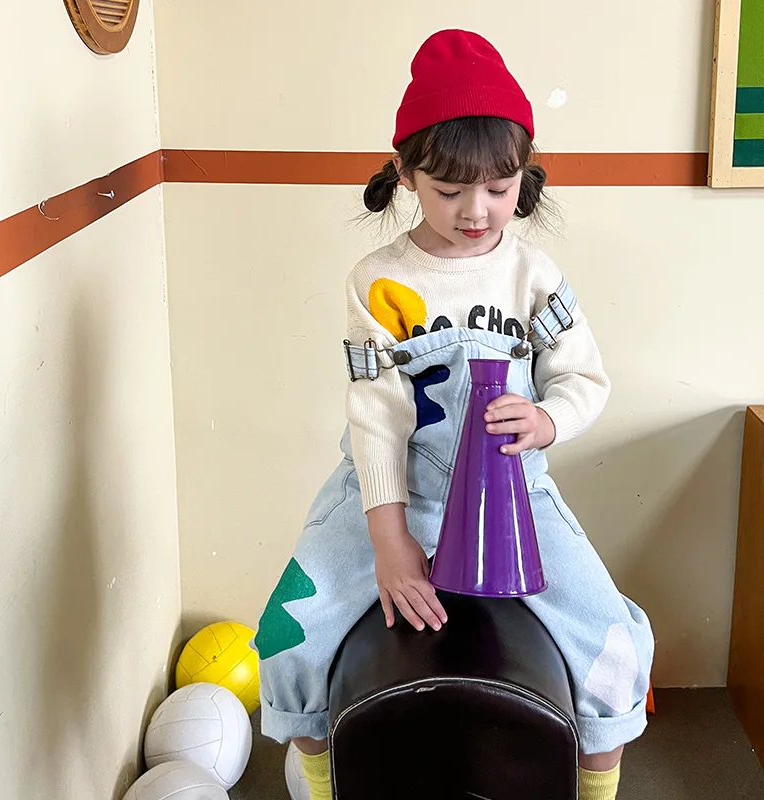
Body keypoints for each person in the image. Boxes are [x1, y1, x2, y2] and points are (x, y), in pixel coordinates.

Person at [252, 28, 655, 800]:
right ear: (406, 174)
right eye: (449, 191)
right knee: (284, 638)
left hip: (517, 499)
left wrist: (548, 421)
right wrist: (389, 541)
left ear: (523, 175)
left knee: (614, 646)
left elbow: (582, 376)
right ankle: (319, 781)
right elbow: (376, 415)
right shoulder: (377, 281)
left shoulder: (535, 274)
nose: (477, 211)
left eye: (499, 189)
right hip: (389, 498)